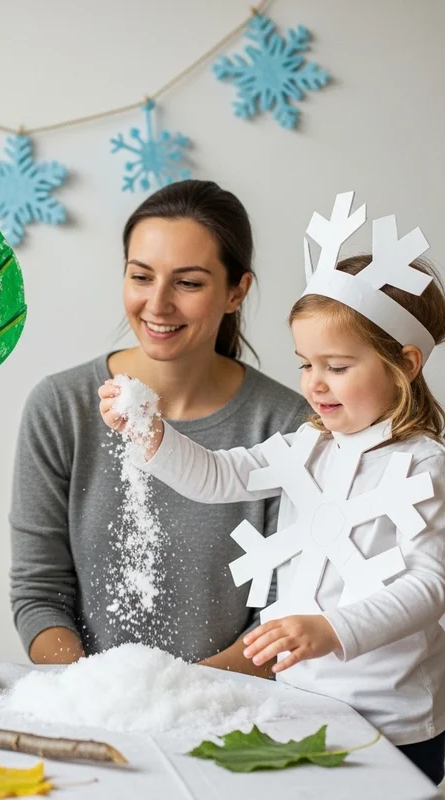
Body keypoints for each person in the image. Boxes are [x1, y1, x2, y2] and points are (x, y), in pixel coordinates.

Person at [100, 206, 445, 784]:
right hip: (302, 701)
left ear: (404, 365)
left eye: (336, 366)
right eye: (305, 363)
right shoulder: (309, 444)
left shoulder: (425, 465)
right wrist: (151, 434)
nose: (313, 382)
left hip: (392, 719)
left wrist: (333, 630)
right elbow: (218, 476)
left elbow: (430, 585)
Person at [10, 179, 309, 674]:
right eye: (141, 276)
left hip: (236, 709)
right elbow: (39, 595)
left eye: (188, 283)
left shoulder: (286, 425)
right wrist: (99, 693)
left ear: (237, 291)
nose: (157, 304)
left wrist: (179, 696)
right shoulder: (60, 407)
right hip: (90, 706)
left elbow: (281, 615)